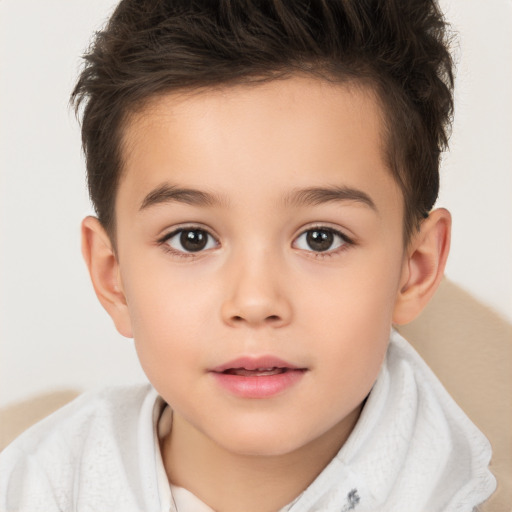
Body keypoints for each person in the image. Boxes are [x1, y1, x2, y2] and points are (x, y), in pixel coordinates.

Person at [0, 0, 496, 510]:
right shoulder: (33, 490)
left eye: (320, 238)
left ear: (415, 270)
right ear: (113, 276)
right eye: (191, 238)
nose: (256, 302)